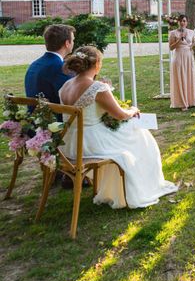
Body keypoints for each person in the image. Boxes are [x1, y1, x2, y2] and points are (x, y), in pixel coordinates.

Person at [59, 46, 178, 209]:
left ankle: (114, 187)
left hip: (68, 145)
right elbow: (120, 115)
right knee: (141, 134)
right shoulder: (97, 88)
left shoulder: (66, 85)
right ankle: (142, 185)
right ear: (97, 65)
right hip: (89, 144)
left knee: (130, 133)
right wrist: (133, 110)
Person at [25, 24, 75, 104]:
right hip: (54, 114)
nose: (73, 43)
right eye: (73, 40)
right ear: (67, 43)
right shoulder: (60, 67)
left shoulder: (35, 64)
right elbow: (72, 96)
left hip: (34, 113)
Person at [169, 15, 195, 111]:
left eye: (184, 21)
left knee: (189, 77)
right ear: (178, 22)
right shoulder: (173, 33)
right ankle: (182, 102)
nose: (182, 22)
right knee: (180, 78)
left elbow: (193, 44)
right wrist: (179, 39)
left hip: (188, 57)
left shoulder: (191, 32)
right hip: (178, 57)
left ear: (187, 22)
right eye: (180, 21)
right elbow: (171, 47)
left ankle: (191, 101)